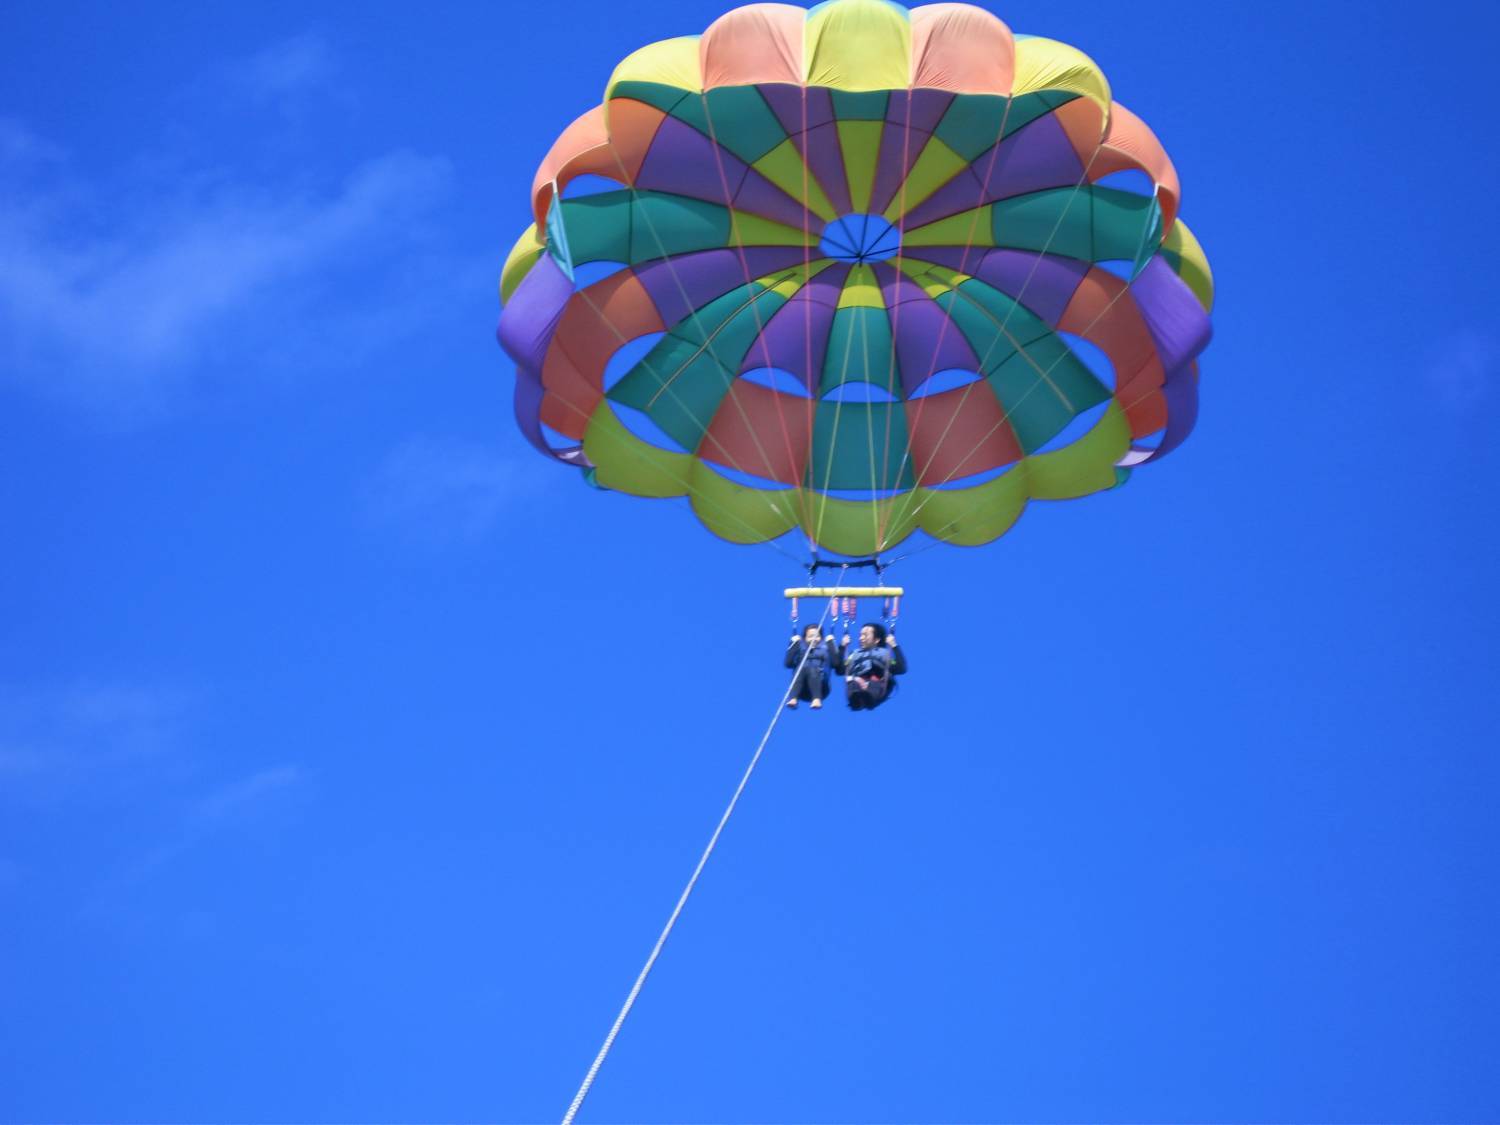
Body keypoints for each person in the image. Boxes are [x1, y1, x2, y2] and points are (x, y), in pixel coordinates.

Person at [841, 622, 906, 711]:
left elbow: (901, 668)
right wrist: (842, 646)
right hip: (858, 681)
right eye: (860, 635)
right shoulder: (854, 654)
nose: (861, 638)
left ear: (876, 640)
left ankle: (868, 697)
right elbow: (840, 669)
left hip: (878, 683)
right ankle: (855, 699)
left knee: (874, 684)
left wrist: (894, 645)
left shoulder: (883, 654)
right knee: (852, 684)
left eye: (865, 635)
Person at [784, 623, 838, 709]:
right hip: (801, 689)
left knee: (812, 669)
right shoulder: (800, 650)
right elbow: (788, 663)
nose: (814, 639)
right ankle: (794, 698)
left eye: (817, 636)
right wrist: (794, 644)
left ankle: (816, 699)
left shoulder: (826, 649)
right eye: (810, 636)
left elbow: (836, 663)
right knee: (801, 670)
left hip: (821, 686)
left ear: (821, 638)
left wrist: (831, 643)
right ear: (805, 639)